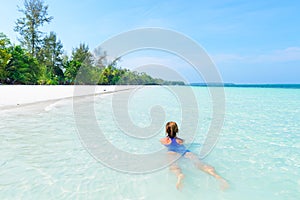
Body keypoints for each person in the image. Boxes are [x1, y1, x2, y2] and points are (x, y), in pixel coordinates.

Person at [160, 121, 229, 190]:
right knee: (199, 163)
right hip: (184, 151)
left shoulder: (163, 140)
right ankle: (217, 176)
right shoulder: (181, 140)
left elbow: (167, 145)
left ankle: (179, 175)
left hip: (172, 151)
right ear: (177, 130)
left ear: (166, 130)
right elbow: (181, 144)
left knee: (173, 165)